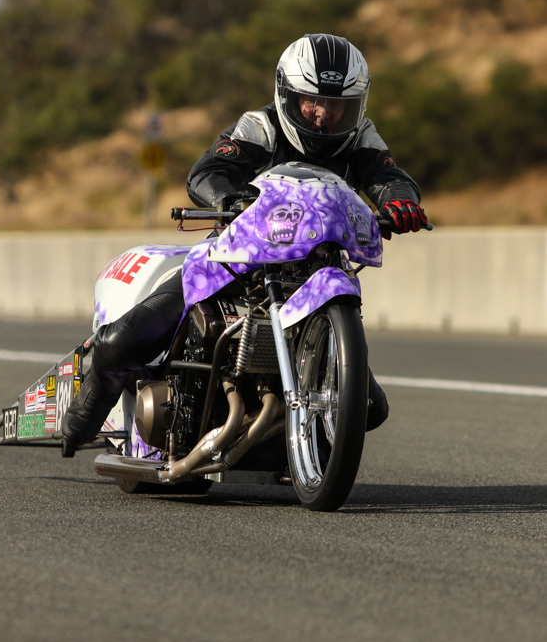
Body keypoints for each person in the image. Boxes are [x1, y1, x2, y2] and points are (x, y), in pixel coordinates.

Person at [62, 33, 429, 447]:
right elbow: (208, 171)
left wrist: (401, 201)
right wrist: (231, 200)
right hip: (236, 258)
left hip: (315, 269)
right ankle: (86, 414)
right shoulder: (261, 126)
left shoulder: (361, 137)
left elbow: (388, 177)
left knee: (370, 407)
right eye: (312, 101)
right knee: (120, 341)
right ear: (287, 95)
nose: (324, 114)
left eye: (337, 105)